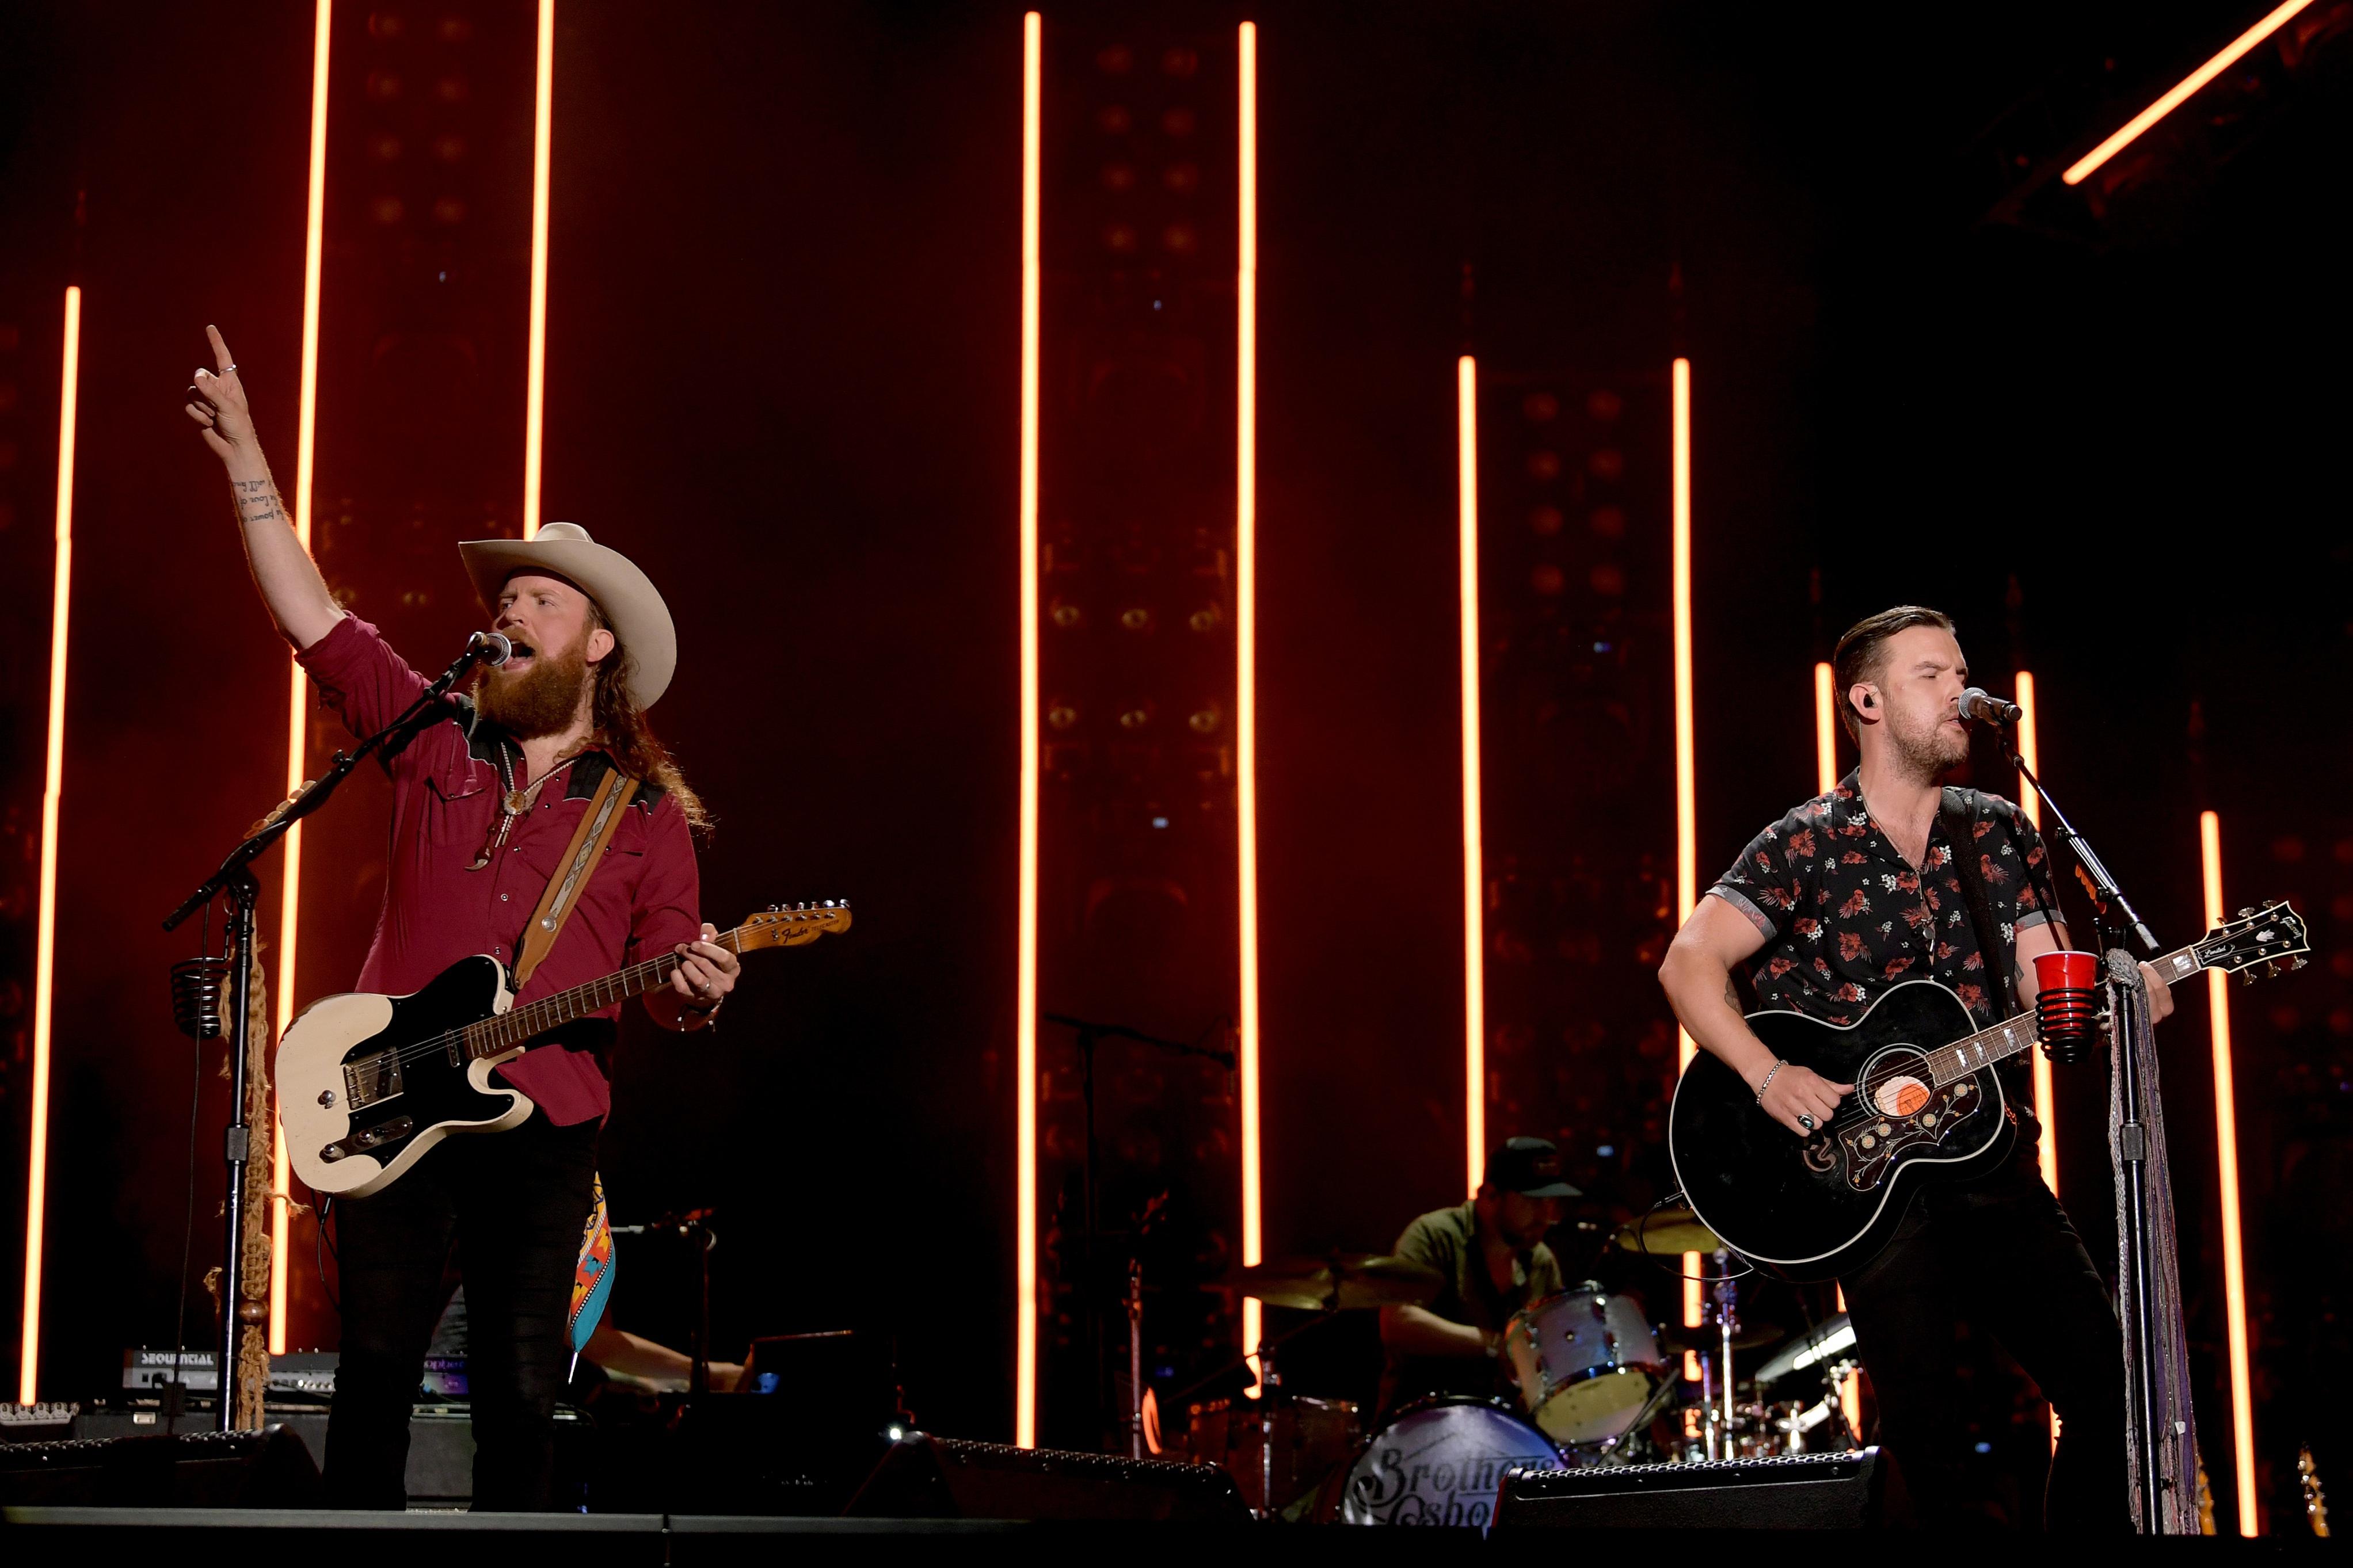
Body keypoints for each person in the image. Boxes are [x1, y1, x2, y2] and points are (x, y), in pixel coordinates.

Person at [185, 326, 744, 1510]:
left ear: (597, 646)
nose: (512, 608)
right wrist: (248, 463)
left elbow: (659, 981)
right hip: (390, 1087)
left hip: (543, 1130)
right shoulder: (438, 731)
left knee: (517, 1391)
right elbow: (314, 616)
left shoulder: (640, 816)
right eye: (508, 595)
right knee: (374, 1375)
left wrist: (694, 991)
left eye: (539, 598)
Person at [1658, 605, 2175, 1530]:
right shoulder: (1805, 841)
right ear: (1867, 699)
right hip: (1868, 1184)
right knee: (1927, 1441)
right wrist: (1770, 1075)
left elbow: (2044, 984)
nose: (1960, 695)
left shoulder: (2000, 830)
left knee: (2113, 1394)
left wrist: (2123, 994)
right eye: (1932, 675)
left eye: (1960, 672)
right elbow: (1687, 964)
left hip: (1992, 1162)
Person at [1376, 1137, 1580, 1418]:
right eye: (1534, 1201)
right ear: (1490, 1196)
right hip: (1421, 1423)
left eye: (1551, 1202)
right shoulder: (1434, 1235)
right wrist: (1496, 1345)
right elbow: (1397, 1322)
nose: (1546, 1214)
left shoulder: (1540, 1259)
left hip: (1506, 1427)